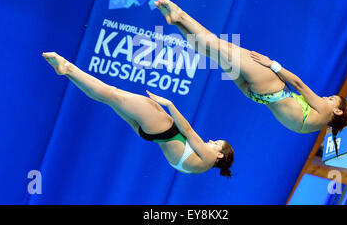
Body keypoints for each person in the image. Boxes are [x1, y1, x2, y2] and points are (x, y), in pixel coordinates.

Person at [154, 0, 347, 155]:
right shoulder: (312, 128)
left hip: (270, 85)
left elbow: (298, 85)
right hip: (255, 94)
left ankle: (181, 16)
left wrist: (273, 64)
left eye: (331, 99)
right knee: (211, 51)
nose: (327, 98)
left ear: (336, 112)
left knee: (216, 45)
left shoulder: (324, 111)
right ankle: (177, 21)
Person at [42, 52, 234, 176]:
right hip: (152, 134)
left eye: (216, 143)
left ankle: (67, 67)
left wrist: (169, 104)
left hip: (163, 128)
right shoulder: (200, 167)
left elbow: (189, 131)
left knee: (112, 94)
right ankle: (67, 72)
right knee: (108, 97)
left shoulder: (209, 158)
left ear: (219, 155)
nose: (210, 141)